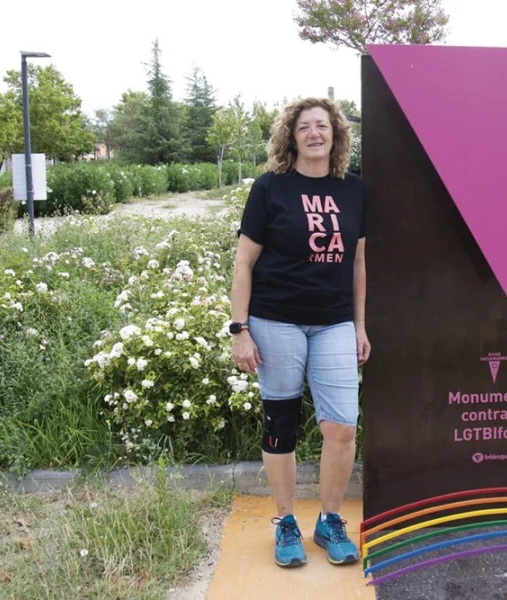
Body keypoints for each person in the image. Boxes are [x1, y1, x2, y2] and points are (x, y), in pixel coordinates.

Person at [228, 97, 370, 568]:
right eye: (305, 127)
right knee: (281, 423)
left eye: (322, 126)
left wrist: (360, 325)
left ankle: (330, 521)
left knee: (342, 426)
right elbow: (244, 262)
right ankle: (286, 522)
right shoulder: (270, 187)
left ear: (336, 135)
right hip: (276, 320)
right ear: (291, 136)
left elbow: (358, 264)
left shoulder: (354, 190)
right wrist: (239, 329)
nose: (314, 134)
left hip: (334, 323)